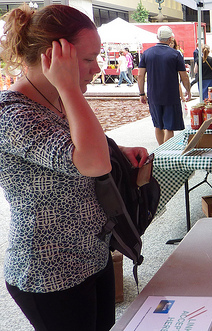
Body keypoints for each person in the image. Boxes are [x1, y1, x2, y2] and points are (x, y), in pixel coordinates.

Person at [0, 4, 150, 330]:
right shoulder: (11, 114)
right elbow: (93, 164)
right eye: (87, 59)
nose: (96, 68)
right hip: (49, 273)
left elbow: (83, 148)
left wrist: (117, 150)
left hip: (92, 257)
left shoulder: (54, 100)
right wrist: (69, 87)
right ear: (52, 56)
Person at [138, 25, 191, 144]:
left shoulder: (147, 53)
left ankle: (160, 149)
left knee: (158, 125)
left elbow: (140, 76)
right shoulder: (175, 54)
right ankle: (166, 151)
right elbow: (184, 76)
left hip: (153, 95)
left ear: (158, 37)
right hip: (171, 95)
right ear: (170, 39)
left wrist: (142, 93)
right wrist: (188, 90)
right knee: (169, 127)